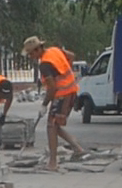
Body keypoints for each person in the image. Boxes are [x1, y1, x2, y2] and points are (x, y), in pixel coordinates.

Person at [23, 36, 89, 171]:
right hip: (71, 91)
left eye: (31, 53)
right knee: (56, 125)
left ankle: (53, 162)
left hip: (62, 95)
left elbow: (52, 88)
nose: (31, 57)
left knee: (51, 126)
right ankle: (77, 148)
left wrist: (44, 105)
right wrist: (66, 69)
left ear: (37, 49)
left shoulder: (45, 64)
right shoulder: (54, 50)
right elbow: (71, 55)